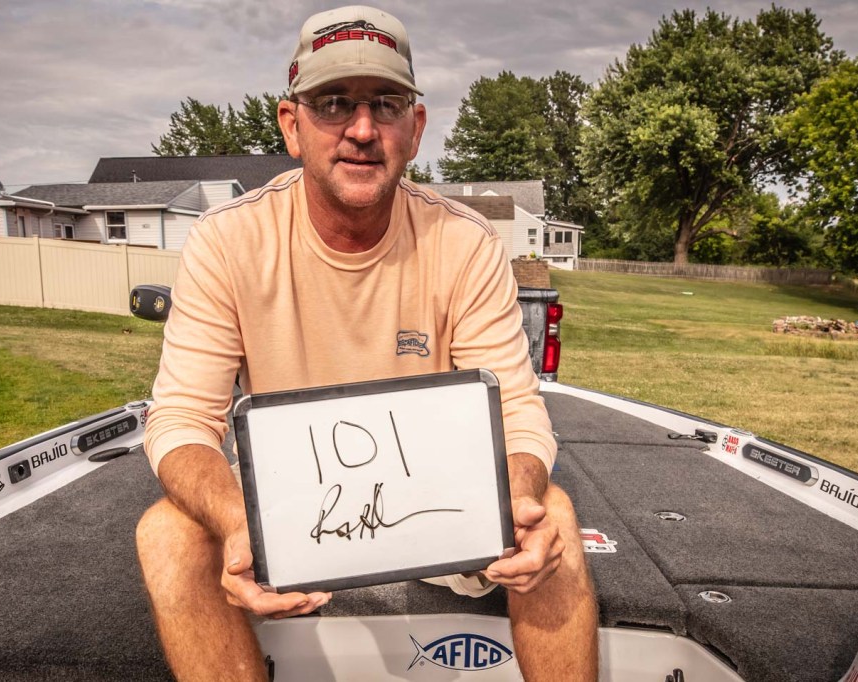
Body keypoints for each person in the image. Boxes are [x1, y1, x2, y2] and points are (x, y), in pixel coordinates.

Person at [136, 5, 598, 680]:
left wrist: (520, 494)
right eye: (333, 104)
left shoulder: (465, 242)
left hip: (442, 500)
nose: (361, 129)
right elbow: (180, 419)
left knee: (548, 512)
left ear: (416, 127)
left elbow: (517, 413)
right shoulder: (227, 240)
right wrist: (238, 522)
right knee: (167, 534)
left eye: (385, 104)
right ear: (291, 124)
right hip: (286, 510)